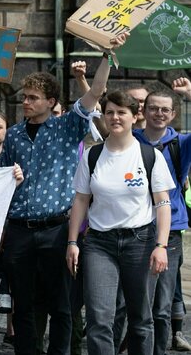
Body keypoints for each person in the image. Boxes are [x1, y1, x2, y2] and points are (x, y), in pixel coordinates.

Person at [2, 33, 125, 355]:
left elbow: (97, 92)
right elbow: (0, 178)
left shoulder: (68, 126)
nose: (25, 102)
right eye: (24, 97)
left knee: (61, 305)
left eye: (32, 97)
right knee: (23, 305)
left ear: (51, 102)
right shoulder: (13, 135)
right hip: (19, 228)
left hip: (57, 229)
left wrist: (105, 56)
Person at [66, 90, 173, 355]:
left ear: (134, 116)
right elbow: (80, 200)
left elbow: (162, 204)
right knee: (99, 319)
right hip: (99, 243)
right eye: (110, 112)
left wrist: (161, 245)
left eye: (122, 112)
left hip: (140, 243)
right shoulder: (92, 156)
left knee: (140, 319)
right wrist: (72, 242)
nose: (115, 117)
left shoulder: (150, 156)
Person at [137, 81, 191, 352]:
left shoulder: (180, 143)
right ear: (144, 111)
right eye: (154, 108)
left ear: (173, 115)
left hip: (170, 231)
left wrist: (190, 95)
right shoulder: (131, 139)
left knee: (162, 305)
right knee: (134, 303)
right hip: (135, 226)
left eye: (165, 110)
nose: (159, 113)